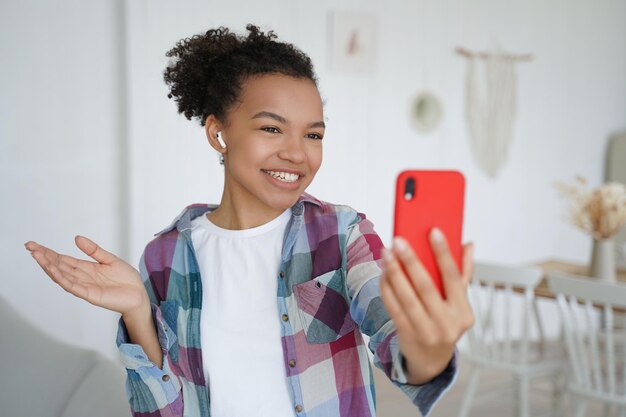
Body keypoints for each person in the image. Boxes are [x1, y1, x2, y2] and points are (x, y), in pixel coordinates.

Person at [24, 24, 474, 417]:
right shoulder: (164, 256)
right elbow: (159, 412)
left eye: (313, 134)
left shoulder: (342, 234)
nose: (297, 152)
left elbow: (395, 338)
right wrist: (138, 313)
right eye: (272, 128)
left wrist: (427, 351)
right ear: (219, 133)